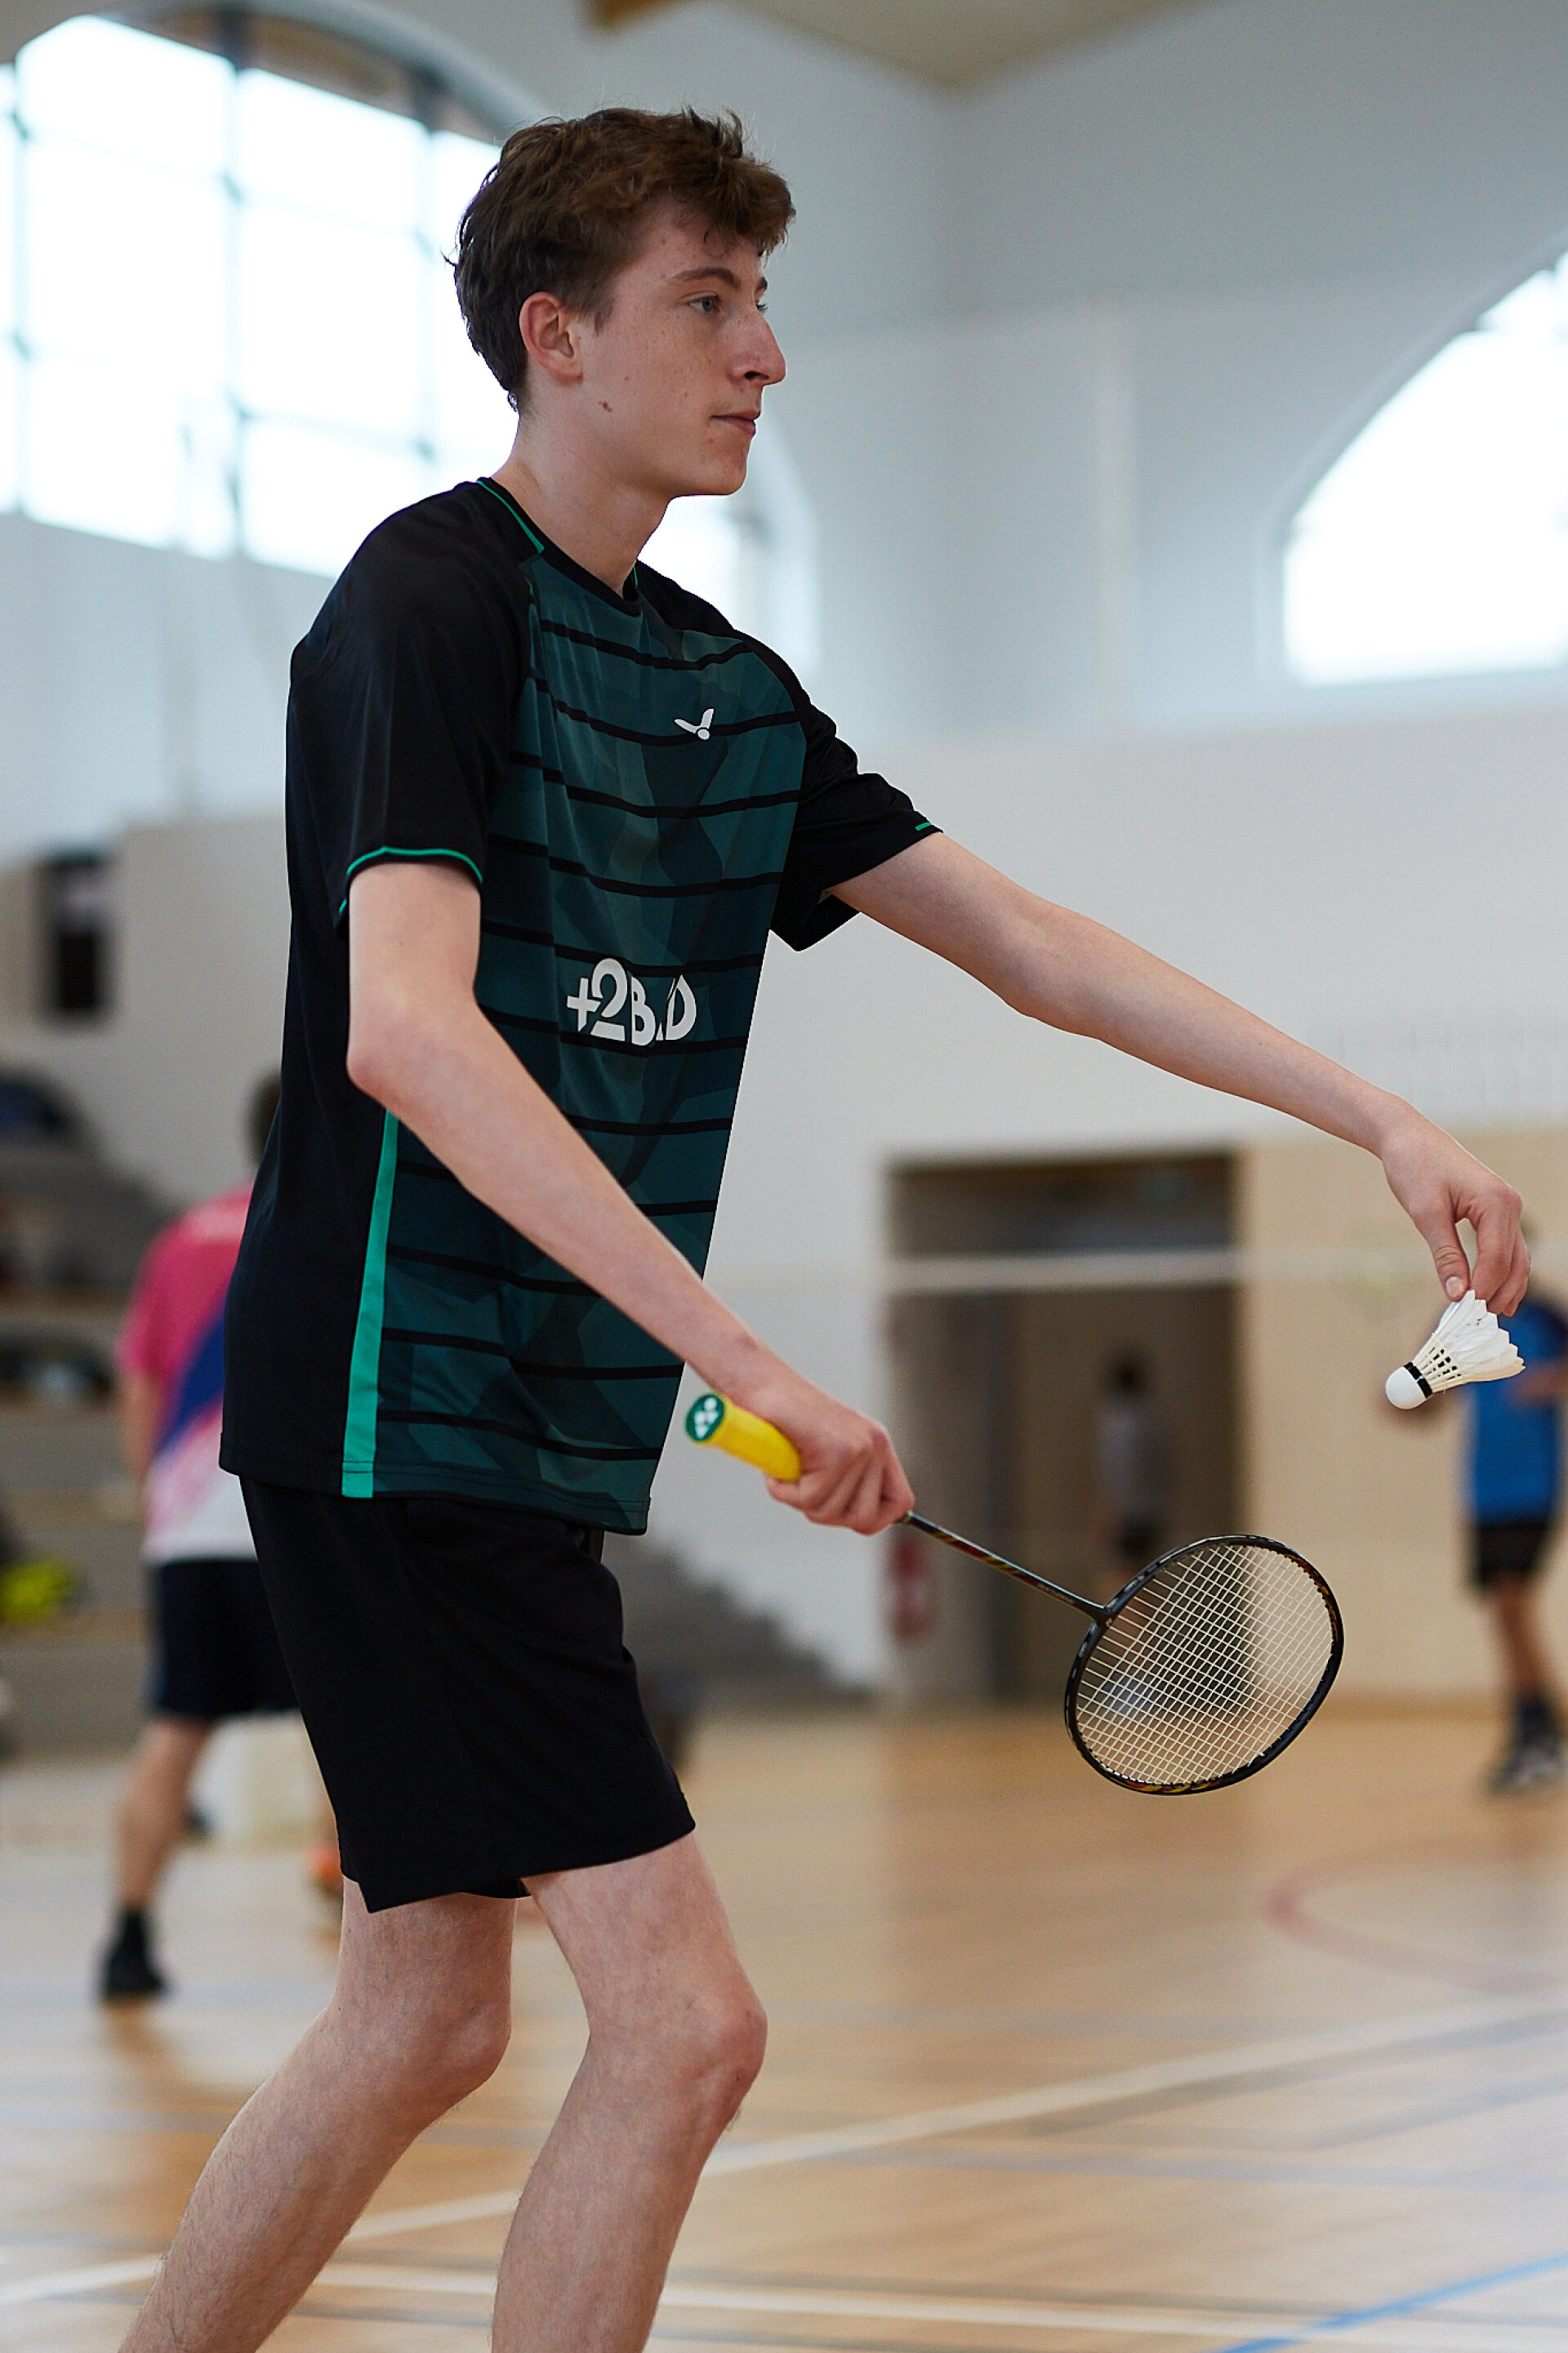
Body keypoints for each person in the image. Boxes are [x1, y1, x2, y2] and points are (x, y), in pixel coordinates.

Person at [122, 107, 1527, 2353]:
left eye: (763, 302)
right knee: (682, 2026)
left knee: (421, 2013)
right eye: (708, 302)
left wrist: (1379, 1114)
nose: (763, 353)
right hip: (401, 1403)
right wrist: (744, 1357)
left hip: (523, 1431)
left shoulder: (729, 695)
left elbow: (1034, 947)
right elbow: (406, 1031)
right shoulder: (426, 605)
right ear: (557, 337)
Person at [99, 1076, 297, 2000]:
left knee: (175, 1728)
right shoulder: (319, 1226)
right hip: (285, 1524)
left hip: (188, 1530)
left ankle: (128, 1936)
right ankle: (382, 1949)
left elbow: (138, 1381)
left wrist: (160, 1503)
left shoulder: (182, 1239)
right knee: (353, 1730)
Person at [1464, 1283, 1568, 1793]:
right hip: (1483, 1490)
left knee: (1512, 1602)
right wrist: (1402, 1394)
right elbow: (1426, 1399)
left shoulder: (1547, 1315)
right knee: (1504, 1612)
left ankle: (1538, 1734)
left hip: (1533, 1486)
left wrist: (1553, 1378)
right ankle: (1539, 1731)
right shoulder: (1458, 1321)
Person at [1094, 1353, 1174, 1579]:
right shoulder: (1152, 1417)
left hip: (1129, 1514)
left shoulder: (1117, 1420)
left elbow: (1120, 1469)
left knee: (1124, 1576)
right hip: (1150, 1510)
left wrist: (1113, 1510)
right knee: (1145, 1576)